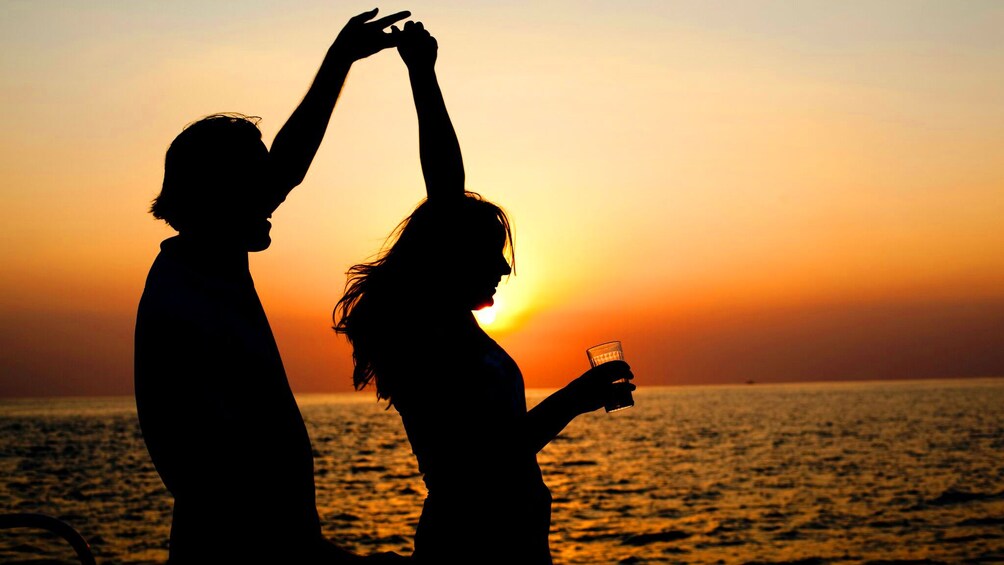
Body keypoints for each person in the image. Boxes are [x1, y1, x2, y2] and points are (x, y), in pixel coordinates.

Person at [334, 22, 635, 564]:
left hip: (510, 540)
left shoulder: (452, 326)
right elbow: (484, 462)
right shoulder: (427, 334)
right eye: (490, 252)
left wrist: (423, 73)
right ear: (450, 256)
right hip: (473, 547)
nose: (504, 268)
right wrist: (576, 398)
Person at [134, 10, 410, 564]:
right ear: (219, 194)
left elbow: (288, 162)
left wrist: (339, 62)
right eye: (254, 182)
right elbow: (215, 475)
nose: (273, 194)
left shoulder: (210, 263)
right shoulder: (184, 303)